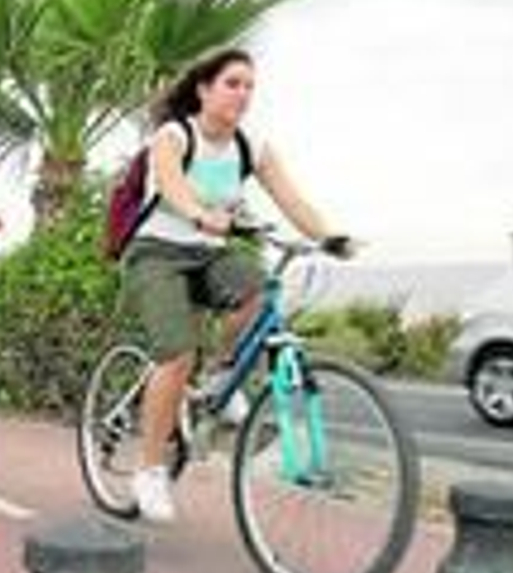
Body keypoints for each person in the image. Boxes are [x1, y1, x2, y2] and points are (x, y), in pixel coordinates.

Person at [122, 44, 351, 524]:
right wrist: (200, 214)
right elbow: (169, 185)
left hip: (209, 253)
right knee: (176, 352)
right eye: (232, 83)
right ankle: (148, 470)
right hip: (156, 254)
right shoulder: (175, 134)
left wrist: (329, 235)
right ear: (204, 89)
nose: (242, 94)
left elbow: (293, 200)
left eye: (249, 86)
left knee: (260, 292)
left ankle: (221, 377)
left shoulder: (251, 147)